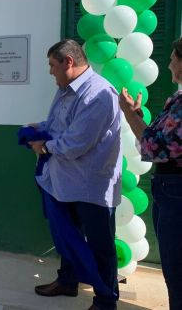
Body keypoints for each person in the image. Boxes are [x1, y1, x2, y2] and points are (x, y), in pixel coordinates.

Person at [28, 40, 121, 310]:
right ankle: (67, 282)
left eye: (52, 65)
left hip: (91, 186)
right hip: (63, 182)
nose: (50, 72)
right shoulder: (65, 90)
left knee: (101, 246)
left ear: (68, 62)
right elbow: (59, 126)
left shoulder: (98, 93)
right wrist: (39, 127)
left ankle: (105, 300)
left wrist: (43, 145)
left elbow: (76, 142)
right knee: (67, 237)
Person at [119, 38, 182, 310]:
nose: (168, 64)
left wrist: (129, 115)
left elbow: (155, 146)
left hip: (176, 190)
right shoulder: (177, 99)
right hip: (169, 188)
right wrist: (136, 115)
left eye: (173, 58)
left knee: (177, 268)